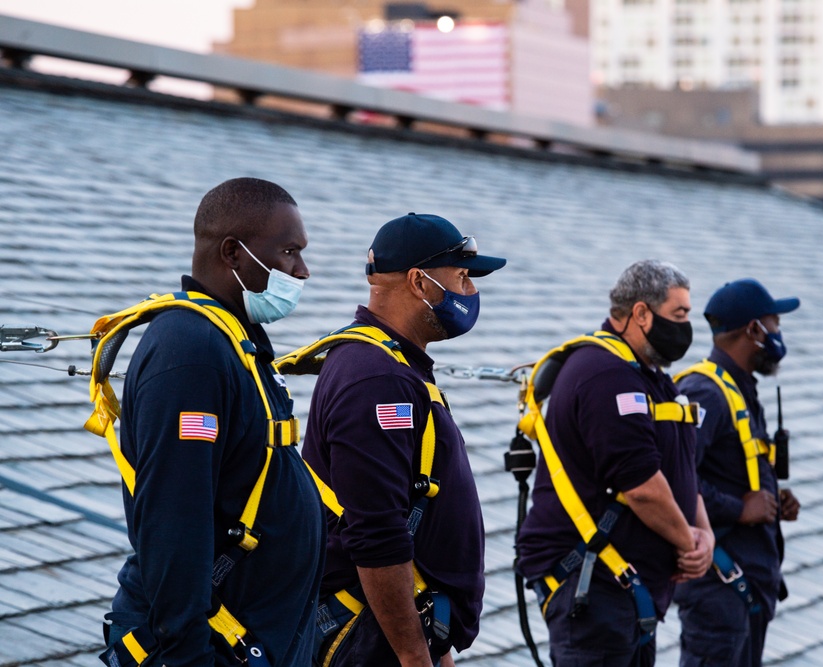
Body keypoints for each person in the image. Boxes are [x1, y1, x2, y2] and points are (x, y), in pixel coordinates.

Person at [96, 177, 325, 666]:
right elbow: (174, 520)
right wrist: (187, 656)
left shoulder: (232, 342)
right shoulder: (191, 353)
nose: (301, 271)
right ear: (233, 254)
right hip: (207, 649)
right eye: (288, 252)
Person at [299, 212, 506, 667]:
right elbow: (376, 534)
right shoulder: (376, 380)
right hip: (367, 635)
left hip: (393, 630)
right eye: (463, 277)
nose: (471, 292)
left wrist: (434, 649)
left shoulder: (395, 365)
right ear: (419, 282)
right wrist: (414, 655)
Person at [515, 259, 715, 667]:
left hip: (625, 592)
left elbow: (678, 468)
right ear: (641, 313)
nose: (686, 327)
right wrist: (687, 542)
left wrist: (704, 534)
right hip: (592, 589)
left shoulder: (649, 376)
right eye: (679, 315)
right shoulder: (606, 375)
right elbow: (640, 485)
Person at [673, 278, 802, 667]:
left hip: (745, 590)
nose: (779, 335)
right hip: (720, 591)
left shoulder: (740, 389)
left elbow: (732, 469)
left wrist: (772, 500)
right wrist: (739, 508)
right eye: (775, 324)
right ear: (754, 330)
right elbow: (677, 479)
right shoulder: (706, 393)